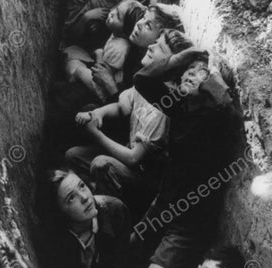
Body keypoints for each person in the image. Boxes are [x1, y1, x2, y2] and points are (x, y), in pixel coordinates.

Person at [131, 51, 241, 268]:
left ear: (209, 87)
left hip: (190, 224)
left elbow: (229, 108)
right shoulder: (180, 107)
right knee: (131, 246)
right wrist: (184, 56)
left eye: (197, 73)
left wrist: (210, 76)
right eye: (186, 73)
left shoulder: (217, 121)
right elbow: (142, 79)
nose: (189, 75)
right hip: (164, 203)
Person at [65, 30, 193, 217]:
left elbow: (134, 158)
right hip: (128, 160)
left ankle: (116, 216)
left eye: (160, 47)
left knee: (101, 164)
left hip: (143, 178)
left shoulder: (162, 110)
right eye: (155, 41)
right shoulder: (146, 85)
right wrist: (97, 113)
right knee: (73, 156)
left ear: (168, 66)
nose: (151, 46)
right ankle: (95, 197)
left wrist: (96, 134)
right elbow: (122, 106)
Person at [62, 0, 126, 83]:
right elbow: (70, 37)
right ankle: (98, 85)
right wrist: (86, 17)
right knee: (73, 68)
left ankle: (107, 85)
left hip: (109, 47)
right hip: (83, 49)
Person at [72, 0, 145, 103]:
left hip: (103, 88)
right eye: (115, 9)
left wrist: (99, 54)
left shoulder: (118, 48)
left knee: (78, 71)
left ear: (125, 33)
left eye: (118, 16)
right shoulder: (116, 32)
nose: (112, 13)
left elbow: (100, 73)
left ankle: (72, 83)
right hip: (106, 74)